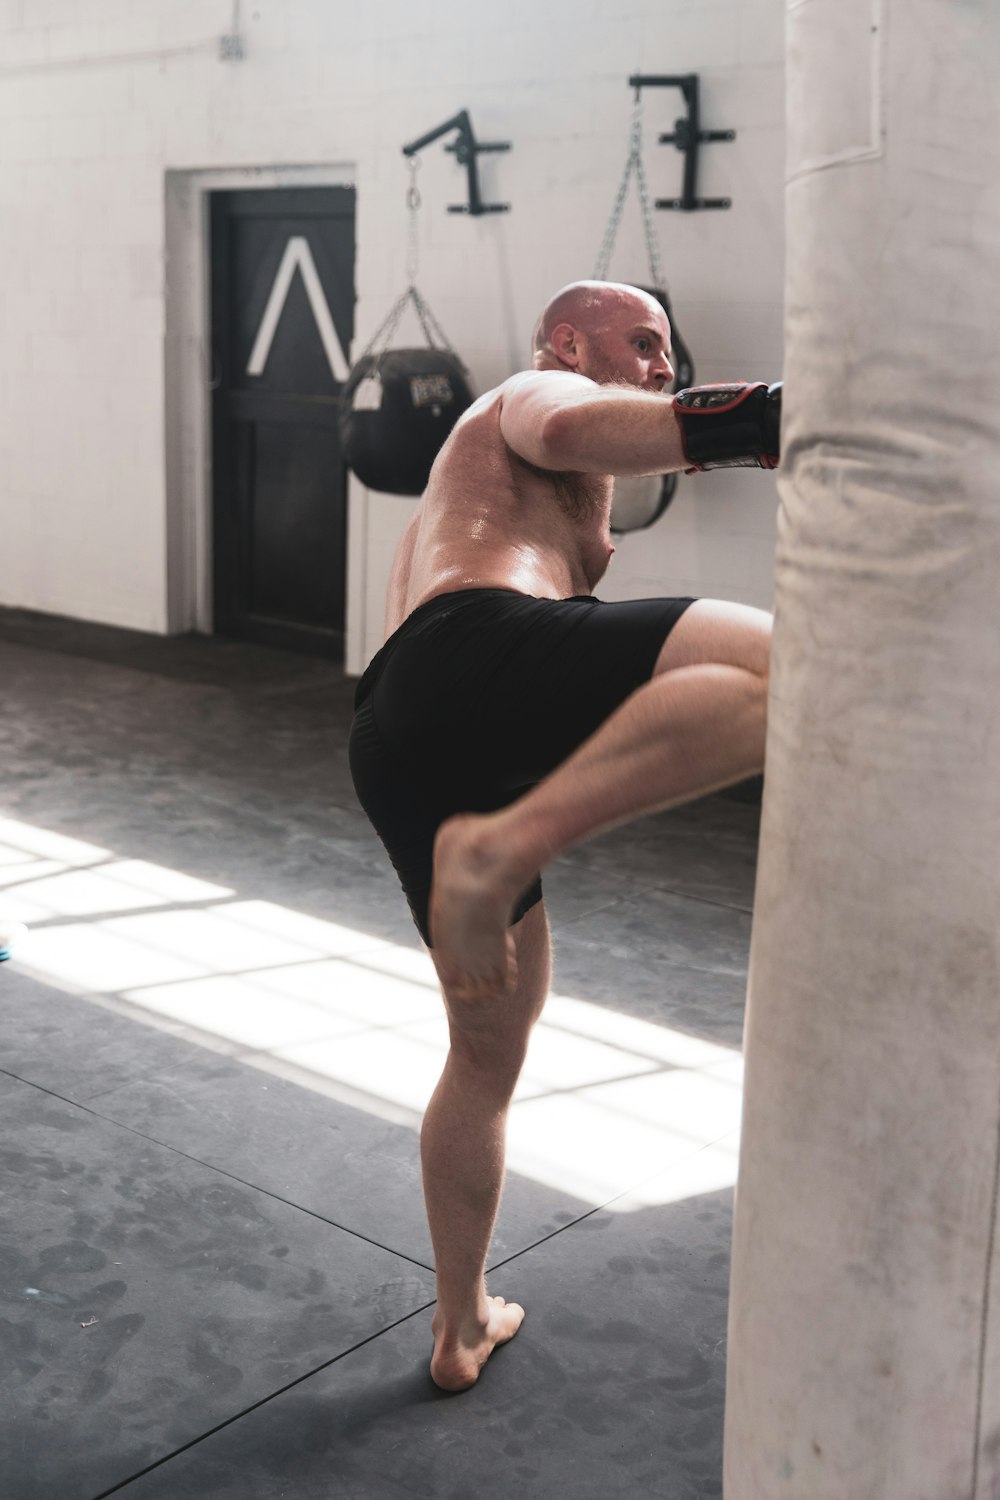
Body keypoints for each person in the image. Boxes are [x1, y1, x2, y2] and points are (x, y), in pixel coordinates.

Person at [349, 280, 778, 1392]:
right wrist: (776, 420)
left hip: (407, 734)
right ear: (564, 340)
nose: (656, 366)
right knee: (796, 672)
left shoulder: (502, 494)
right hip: (473, 650)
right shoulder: (527, 392)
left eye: (665, 351)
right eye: (638, 344)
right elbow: (571, 423)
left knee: (487, 1054)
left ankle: (458, 1327)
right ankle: (497, 848)